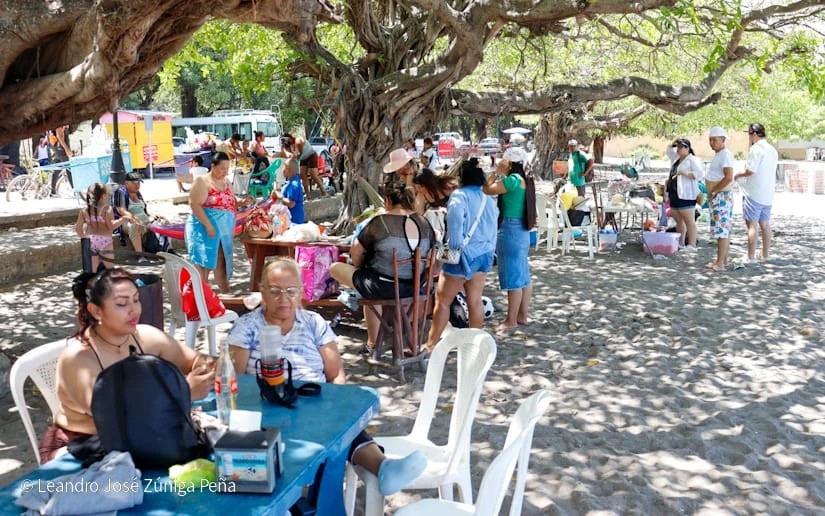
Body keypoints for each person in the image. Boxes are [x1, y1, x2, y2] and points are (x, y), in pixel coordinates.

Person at [226, 258, 427, 496]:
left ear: (301, 292)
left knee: (343, 425)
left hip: (313, 401)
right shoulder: (247, 326)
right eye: (275, 291)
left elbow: (336, 373)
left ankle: (383, 468)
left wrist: (335, 404)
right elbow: (235, 381)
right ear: (262, 291)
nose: (283, 298)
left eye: (291, 291)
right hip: (266, 406)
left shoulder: (313, 323)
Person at [39, 268, 215, 464]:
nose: (134, 310)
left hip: (144, 436)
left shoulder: (145, 336)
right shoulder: (79, 359)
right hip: (84, 446)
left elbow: (199, 360)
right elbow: (118, 416)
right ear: (96, 310)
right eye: (122, 303)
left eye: (136, 299)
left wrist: (203, 369)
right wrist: (184, 391)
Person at [329, 181, 435, 351]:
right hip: (415, 288)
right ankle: (387, 337)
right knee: (372, 285)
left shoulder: (380, 222)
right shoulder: (424, 224)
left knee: (335, 268)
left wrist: (361, 268)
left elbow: (356, 253)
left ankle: (372, 344)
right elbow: (430, 259)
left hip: (383, 286)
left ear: (387, 201)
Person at [424, 158, 498, 353]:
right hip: (484, 255)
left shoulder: (459, 197)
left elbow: (455, 238)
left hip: (462, 256)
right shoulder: (488, 199)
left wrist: (442, 258)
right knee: (475, 300)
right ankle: (474, 346)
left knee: (443, 300)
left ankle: (431, 345)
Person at [186, 151, 254, 293]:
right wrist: (208, 225)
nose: (225, 172)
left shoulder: (226, 182)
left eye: (227, 169)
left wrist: (243, 202)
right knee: (203, 263)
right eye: (222, 169)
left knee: (222, 261)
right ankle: (200, 299)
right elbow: (194, 204)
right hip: (204, 228)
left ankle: (225, 293)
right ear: (213, 166)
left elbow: (231, 203)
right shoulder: (202, 181)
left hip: (223, 231)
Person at [483, 147, 536, 331]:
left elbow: (487, 189)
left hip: (510, 228)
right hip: (521, 230)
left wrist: (496, 172)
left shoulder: (513, 180)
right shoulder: (526, 179)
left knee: (514, 276)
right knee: (523, 275)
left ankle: (511, 320)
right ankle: (522, 315)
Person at [734, 123, 778, 262]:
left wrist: (737, 175)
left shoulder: (756, 149)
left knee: (752, 226)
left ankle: (750, 256)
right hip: (768, 193)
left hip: (753, 193)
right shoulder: (772, 149)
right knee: (765, 224)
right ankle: (765, 254)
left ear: (753, 134)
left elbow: (750, 170)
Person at [705, 127, 735, 271]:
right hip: (718, 195)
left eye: (715, 140)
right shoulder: (719, 155)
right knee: (721, 229)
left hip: (721, 195)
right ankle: (722, 260)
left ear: (723, 140)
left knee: (722, 229)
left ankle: (720, 263)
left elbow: (728, 176)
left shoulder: (725, 155)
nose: (712, 143)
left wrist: (715, 190)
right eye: (710, 140)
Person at [76, 183, 125, 271]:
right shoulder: (107, 209)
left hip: (91, 241)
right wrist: (122, 219)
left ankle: (93, 283)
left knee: (93, 269)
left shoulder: (84, 211)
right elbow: (111, 226)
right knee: (109, 269)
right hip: (106, 241)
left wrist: (85, 238)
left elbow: (78, 229)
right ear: (103, 196)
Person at [667, 138, 705, 250]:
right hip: (674, 192)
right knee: (678, 219)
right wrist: (674, 142)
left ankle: (692, 244)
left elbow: (700, 174)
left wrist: (684, 173)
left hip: (687, 193)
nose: (678, 149)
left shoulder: (692, 160)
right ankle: (681, 242)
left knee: (689, 221)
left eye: (681, 147)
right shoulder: (676, 158)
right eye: (677, 147)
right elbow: (669, 150)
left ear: (687, 148)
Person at [113, 171, 161, 254]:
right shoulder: (120, 192)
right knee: (134, 226)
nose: (137, 185)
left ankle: (168, 249)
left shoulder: (138, 193)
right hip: (127, 221)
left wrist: (152, 215)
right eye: (134, 182)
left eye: (139, 182)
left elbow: (143, 209)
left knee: (164, 222)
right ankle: (140, 255)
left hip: (144, 220)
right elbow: (121, 210)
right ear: (126, 183)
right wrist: (135, 219)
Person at [412, 167, 457, 242]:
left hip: (451, 217)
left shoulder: (444, 186)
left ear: (424, 184)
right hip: (438, 223)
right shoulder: (422, 194)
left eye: (418, 186)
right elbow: (419, 213)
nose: (417, 189)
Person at [270, 158, 305, 224]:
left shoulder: (294, 184)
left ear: (289, 171)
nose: (283, 170)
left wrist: (279, 195)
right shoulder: (291, 182)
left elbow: (291, 204)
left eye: (284, 167)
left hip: (294, 220)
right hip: (289, 219)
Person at [48, 125, 73, 192]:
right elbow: (59, 136)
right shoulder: (60, 122)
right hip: (60, 148)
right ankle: (75, 190)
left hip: (58, 148)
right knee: (69, 168)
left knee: (57, 168)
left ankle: (52, 191)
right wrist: (67, 149)